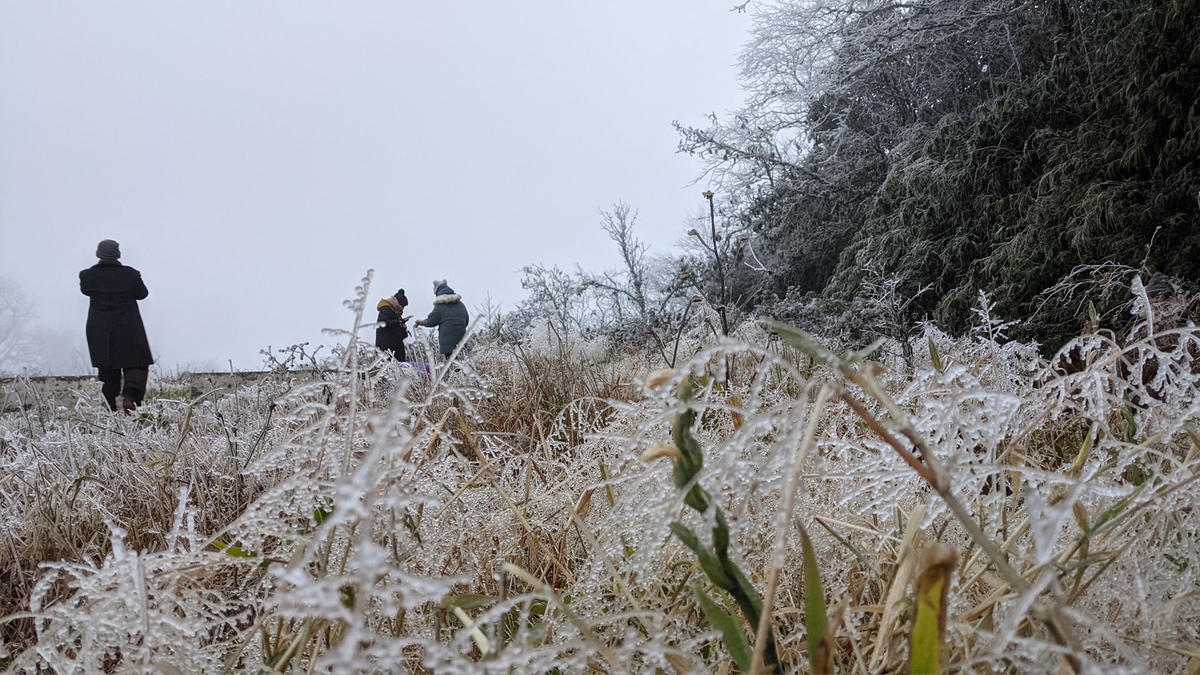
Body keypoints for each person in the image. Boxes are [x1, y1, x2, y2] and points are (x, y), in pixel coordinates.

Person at [79, 239, 153, 412]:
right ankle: (131, 397)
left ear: (98, 254)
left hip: (100, 331)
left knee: (107, 369)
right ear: (118, 254)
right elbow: (142, 294)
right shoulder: (131, 275)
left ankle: (109, 407)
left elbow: (85, 290)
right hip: (129, 328)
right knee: (136, 364)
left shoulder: (87, 276)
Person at [414, 279, 469, 358]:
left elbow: (431, 321)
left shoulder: (440, 306)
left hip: (448, 344)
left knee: (451, 363)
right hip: (462, 342)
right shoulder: (461, 305)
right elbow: (466, 321)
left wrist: (421, 322)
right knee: (463, 362)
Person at [375, 289, 409, 361]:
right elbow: (382, 323)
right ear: (397, 303)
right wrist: (398, 322)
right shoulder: (385, 309)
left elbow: (401, 336)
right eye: (402, 306)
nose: (402, 308)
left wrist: (403, 328)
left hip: (396, 351)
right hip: (386, 350)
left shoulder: (396, 314)